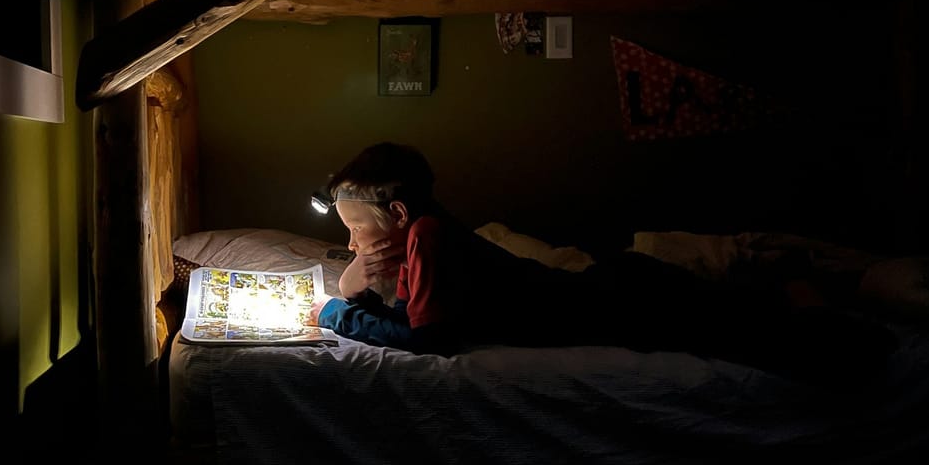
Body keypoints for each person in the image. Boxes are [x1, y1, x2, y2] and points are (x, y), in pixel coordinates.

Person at [309, 142, 898, 387]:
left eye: (359, 228)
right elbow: (413, 310)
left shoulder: (430, 235)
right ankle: (795, 292)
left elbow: (429, 337)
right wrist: (353, 283)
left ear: (401, 212)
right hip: (605, 290)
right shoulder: (426, 230)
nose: (356, 240)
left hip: (613, 302)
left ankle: (834, 310)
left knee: (773, 342)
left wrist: (340, 312)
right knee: (740, 320)